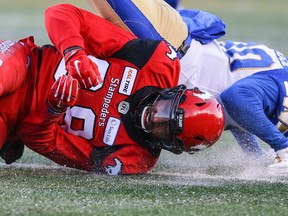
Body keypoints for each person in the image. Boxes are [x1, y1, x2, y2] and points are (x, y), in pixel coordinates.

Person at [4, 4, 224, 175]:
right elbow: (60, 13)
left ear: (171, 145)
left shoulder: (131, 157)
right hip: (25, 65)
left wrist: (52, 110)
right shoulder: (155, 63)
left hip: (15, 121)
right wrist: (74, 55)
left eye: (165, 129)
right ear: (173, 92)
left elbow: (36, 138)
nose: (155, 118)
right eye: (165, 110)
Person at [86, 0, 288, 172]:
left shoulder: (274, 79)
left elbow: (238, 116)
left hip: (171, 48)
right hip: (167, 45)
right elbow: (237, 100)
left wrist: (255, 157)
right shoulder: (278, 83)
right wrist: (281, 146)